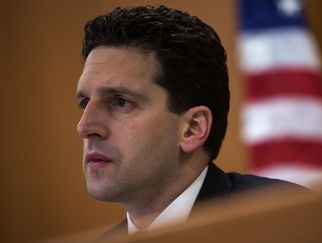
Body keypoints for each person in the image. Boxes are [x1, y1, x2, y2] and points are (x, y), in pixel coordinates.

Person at [76, 5, 305, 238]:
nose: (85, 127)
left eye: (121, 102)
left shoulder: (287, 220)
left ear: (192, 128)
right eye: (85, 103)